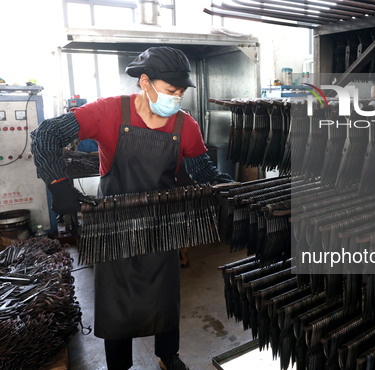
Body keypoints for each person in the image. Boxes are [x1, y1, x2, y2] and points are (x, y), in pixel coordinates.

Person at [31, 46, 232, 370]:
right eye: (170, 91)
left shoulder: (184, 125)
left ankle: (168, 355)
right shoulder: (109, 112)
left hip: (161, 222)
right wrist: (58, 185)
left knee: (165, 296)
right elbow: (46, 135)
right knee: (117, 303)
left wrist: (224, 185)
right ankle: (119, 364)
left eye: (180, 93)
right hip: (113, 223)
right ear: (145, 83)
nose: (175, 99)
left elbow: (202, 170)